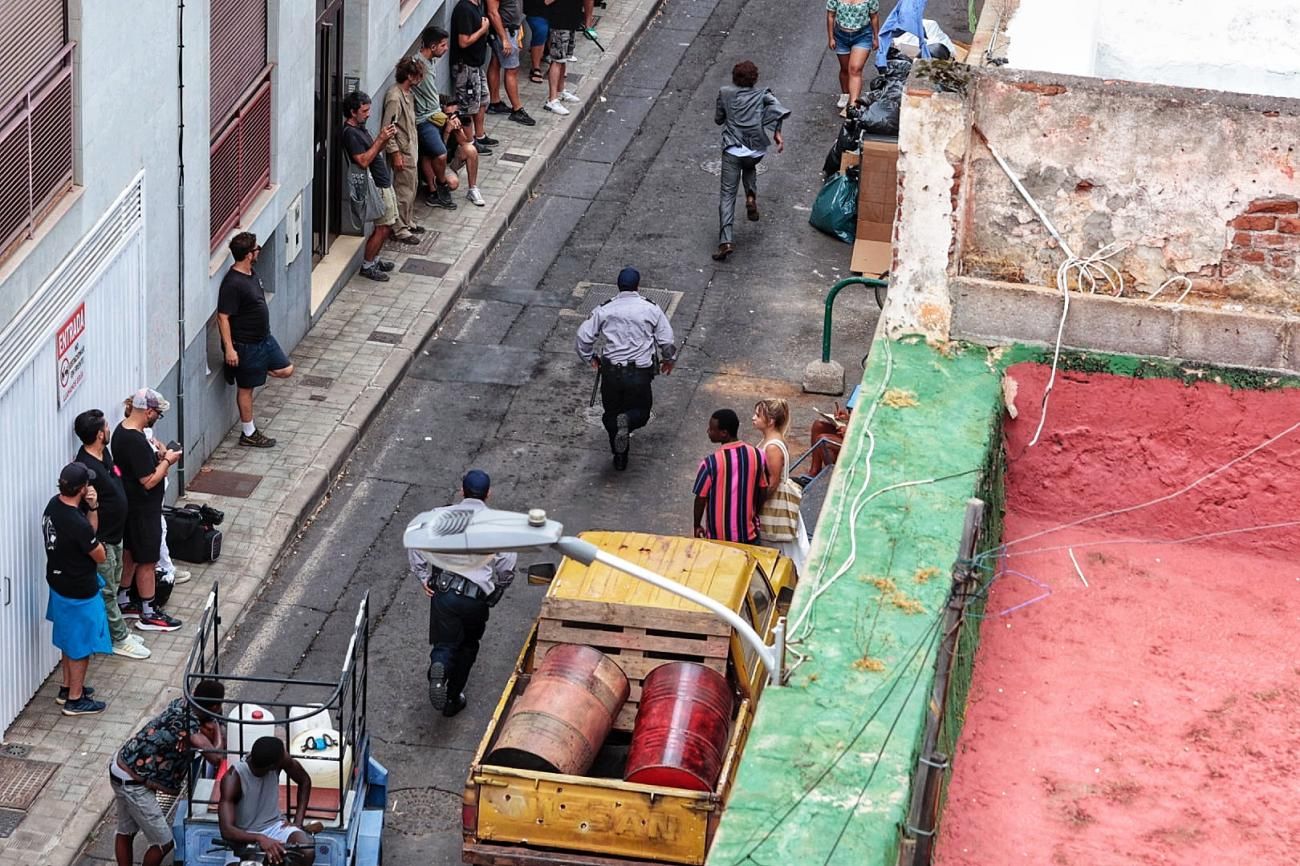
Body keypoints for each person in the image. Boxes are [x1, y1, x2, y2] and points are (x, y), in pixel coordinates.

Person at [409, 470, 516, 717]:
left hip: (444, 592)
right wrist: (500, 585)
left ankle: (440, 666)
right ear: (488, 494)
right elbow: (507, 564)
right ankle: (452, 697)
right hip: (475, 598)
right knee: (468, 646)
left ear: (462, 491)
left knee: (445, 642)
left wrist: (424, 575)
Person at [111, 679, 226, 866]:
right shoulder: (188, 723)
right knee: (163, 843)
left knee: (126, 831)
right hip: (134, 782)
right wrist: (217, 728)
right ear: (214, 706)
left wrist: (195, 736)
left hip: (122, 765)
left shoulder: (183, 702)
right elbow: (216, 757)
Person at [574, 267, 676, 470]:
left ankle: (620, 457)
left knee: (611, 413)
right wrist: (669, 359)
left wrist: (590, 357)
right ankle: (628, 421)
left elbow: (582, 338)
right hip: (639, 374)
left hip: (611, 373)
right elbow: (666, 340)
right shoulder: (651, 308)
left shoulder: (605, 309)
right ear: (638, 286)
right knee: (642, 412)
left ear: (618, 286)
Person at [73, 410, 150, 660]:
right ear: (99, 434)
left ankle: (114, 630)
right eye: (106, 427)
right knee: (106, 591)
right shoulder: (85, 467)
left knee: (114, 584)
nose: (109, 429)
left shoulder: (104, 453)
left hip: (117, 535)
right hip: (103, 539)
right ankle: (119, 638)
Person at [42, 463, 112, 715]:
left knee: (67, 638)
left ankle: (67, 687)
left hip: (58, 583)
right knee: (80, 645)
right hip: (79, 590)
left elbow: (87, 534)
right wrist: (94, 510)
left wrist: (92, 508)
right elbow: (100, 555)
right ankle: (75, 699)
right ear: (82, 488)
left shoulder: (53, 506)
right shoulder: (76, 523)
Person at [112, 389, 183, 632]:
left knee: (130, 553)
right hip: (144, 510)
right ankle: (149, 612)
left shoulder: (123, 430)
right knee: (147, 561)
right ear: (148, 411)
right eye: (157, 415)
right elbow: (149, 481)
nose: (157, 418)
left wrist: (159, 453)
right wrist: (167, 461)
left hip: (130, 507)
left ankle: (123, 600)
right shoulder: (135, 441)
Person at [217, 232, 295, 448]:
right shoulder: (232, 284)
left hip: (264, 340)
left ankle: (258, 369)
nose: (259, 250)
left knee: (286, 369)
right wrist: (230, 349)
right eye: (256, 248)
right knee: (246, 389)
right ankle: (248, 432)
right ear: (249, 255)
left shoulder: (252, 273)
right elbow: (223, 317)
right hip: (246, 345)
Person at [711, 60, 790, 262]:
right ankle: (751, 195)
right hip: (755, 149)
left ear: (734, 78)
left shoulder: (725, 92)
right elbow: (778, 108)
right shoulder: (763, 94)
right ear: (755, 78)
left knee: (727, 195)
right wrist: (777, 132)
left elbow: (719, 119)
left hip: (732, 148)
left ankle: (725, 241)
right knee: (749, 166)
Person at [218, 736, 316, 866]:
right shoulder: (233, 778)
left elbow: (304, 781)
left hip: (276, 826)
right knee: (256, 862)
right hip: (246, 834)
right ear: (272, 766)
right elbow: (226, 830)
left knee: (306, 851)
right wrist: (260, 838)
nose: (286, 756)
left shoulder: (280, 759)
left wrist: (298, 822)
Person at [342, 89, 402, 282]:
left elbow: (374, 151)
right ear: (353, 112)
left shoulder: (360, 129)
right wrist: (381, 140)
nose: (368, 114)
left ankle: (375, 259)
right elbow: (363, 161)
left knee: (388, 224)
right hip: (375, 185)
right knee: (383, 227)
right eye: (365, 111)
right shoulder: (351, 134)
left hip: (383, 181)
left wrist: (384, 140)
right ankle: (368, 265)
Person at [752, 398, 811, 572]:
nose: (753, 418)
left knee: (780, 550)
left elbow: (773, 482)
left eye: (758, 415)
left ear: (770, 421)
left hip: (773, 506)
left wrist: (756, 505)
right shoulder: (771, 441)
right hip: (773, 504)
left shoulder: (772, 447)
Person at [693, 409, 767, 544]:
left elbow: (700, 498)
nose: (708, 432)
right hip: (749, 534)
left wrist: (697, 525)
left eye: (711, 429)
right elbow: (763, 489)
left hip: (719, 539)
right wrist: (754, 511)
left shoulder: (710, 463)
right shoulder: (757, 455)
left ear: (724, 433)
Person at [381, 58, 428, 244]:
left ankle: (407, 221)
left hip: (411, 148)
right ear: (409, 76)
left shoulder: (409, 94)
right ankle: (399, 228)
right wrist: (395, 153)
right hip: (403, 150)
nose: (421, 79)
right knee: (403, 190)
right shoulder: (395, 97)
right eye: (418, 75)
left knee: (412, 186)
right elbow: (388, 127)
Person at [412, 26, 460, 211]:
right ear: (432, 46)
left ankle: (432, 192)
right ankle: (441, 186)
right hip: (425, 120)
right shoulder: (420, 66)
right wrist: (446, 117)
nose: (446, 48)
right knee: (440, 154)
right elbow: (432, 100)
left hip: (432, 116)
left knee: (428, 155)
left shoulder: (428, 62)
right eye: (443, 45)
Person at [451, 0, 499, 153]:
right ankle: (470, 142)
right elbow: (463, 42)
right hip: (465, 67)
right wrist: (483, 29)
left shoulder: (477, 6)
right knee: (467, 106)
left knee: (482, 100)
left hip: (476, 66)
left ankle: (479, 135)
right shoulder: (464, 9)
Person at [486, 0, 537, 126]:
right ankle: (517, 109)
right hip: (505, 31)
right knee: (512, 70)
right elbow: (493, 12)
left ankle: (495, 102)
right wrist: (504, 39)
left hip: (510, 29)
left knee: (496, 61)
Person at [826, 0, 881, 111]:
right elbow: (830, 15)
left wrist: (876, 37)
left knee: (855, 69)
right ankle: (845, 93)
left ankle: (853, 105)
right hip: (841, 36)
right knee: (845, 69)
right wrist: (831, 37)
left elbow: (874, 17)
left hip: (862, 36)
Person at [439, 94, 488, 206]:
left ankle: (473, 189)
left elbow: (465, 143)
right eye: (449, 115)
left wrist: (458, 131)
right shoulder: (437, 124)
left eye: (455, 114)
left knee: (471, 150)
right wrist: (447, 131)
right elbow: (440, 152)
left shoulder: (458, 120)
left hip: (450, 160)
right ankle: (436, 186)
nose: (453, 118)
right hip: (439, 163)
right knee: (453, 184)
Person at [541, 0, 582, 115]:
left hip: (571, 20)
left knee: (564, 58)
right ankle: (552, 100)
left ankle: (561, 90)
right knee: (557, 60)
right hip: (560, 22)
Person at [523, 0, 549, 85]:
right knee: (541, 30)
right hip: (535, 9)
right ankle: (536, 67)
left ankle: (558, 62)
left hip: (554, 9)